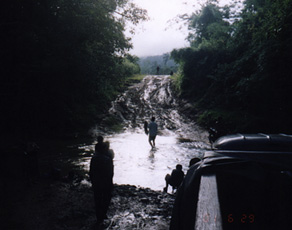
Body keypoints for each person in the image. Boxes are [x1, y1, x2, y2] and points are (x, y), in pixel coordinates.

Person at [90, 136, 114, 225]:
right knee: (106, 198)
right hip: (105, 182)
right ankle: (103, 214)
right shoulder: (107, 159)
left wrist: (92, 181)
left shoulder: (94, 158)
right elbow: (110, 173)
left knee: (97, 199)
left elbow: (91, 171)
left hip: (96, 182)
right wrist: (111, 183)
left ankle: (98, 217)